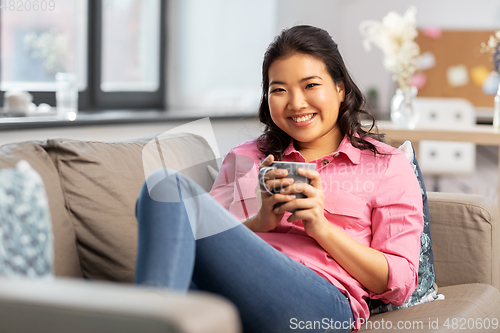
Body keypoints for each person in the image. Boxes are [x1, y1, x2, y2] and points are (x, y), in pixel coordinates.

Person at [134, 25, 423, 333]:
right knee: (161, 186)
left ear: (340, 88)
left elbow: (399, 281)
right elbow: (199, 244)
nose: (296, 103)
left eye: (310, 85)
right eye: (279, 89)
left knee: (170, 188)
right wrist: (259, 223)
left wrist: (321, 228)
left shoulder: (386, 165)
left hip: (319, 303)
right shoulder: (244, 158)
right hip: (224, 293)